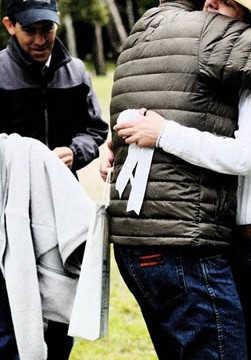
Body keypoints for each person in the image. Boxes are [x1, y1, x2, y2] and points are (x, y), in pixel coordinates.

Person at [106, 0, 251, 358]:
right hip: (230, 239)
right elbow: (174, 103)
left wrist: (162, 134)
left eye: (228, 3)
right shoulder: (221, 65)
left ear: (250, 18)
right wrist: (116, 143)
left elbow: (243, 156)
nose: (209, 5)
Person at [0, 0, 108, 359]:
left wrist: (74, 152)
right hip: (7, 212)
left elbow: (95, 128)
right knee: (10, 309)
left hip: (62, 209)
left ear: (57, 26)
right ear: (9, 26)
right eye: (30, 30)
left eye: (47, 30)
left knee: (60, 306)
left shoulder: (75, 71)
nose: (40, 39)